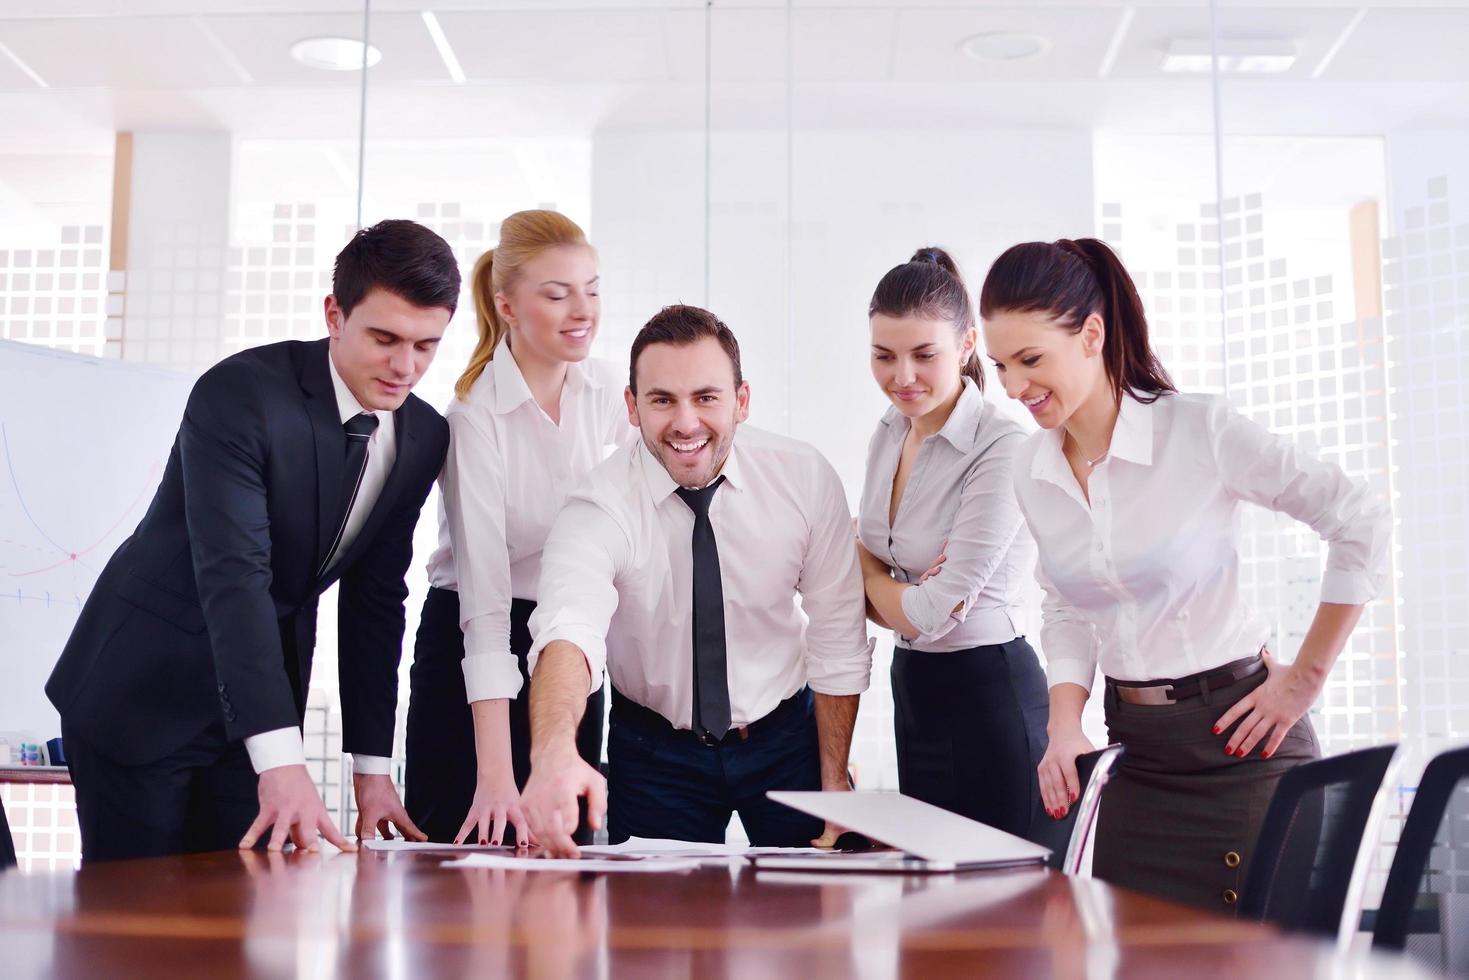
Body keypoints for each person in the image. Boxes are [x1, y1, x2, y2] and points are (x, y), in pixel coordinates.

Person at [980, 238, 1391, 911]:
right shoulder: (1030, 470)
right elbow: (1063, 605)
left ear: (1090, 335)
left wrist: (1304, 680)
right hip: (1137, 759)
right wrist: (1063, 724)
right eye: (999, 366)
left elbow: (1359, 519)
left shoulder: (1198, 431)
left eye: (1030, 360)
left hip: (1242, 748)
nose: (1014, 388)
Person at [46, 219, 461, 862]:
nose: (405, 367)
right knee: (136, 932)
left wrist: (372, 767)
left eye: (426, 346)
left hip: (256, 708)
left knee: (238, 926)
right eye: (385, 338)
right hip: (141, 693)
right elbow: (235, 574)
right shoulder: (240, 394)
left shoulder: (423, 437)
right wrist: (281, 757)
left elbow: (376, 601)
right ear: (334, 314)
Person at [518, 304, 874, 857]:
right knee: (654, 934)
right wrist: (554, 751)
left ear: (742, 401)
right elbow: (568, 630)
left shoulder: (803, 478)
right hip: (655, 749)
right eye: (662, 400)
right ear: (633, 408)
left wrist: (834, 785)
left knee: (811, 928)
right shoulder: (598, 506)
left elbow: (836, 638)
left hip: (785, 737)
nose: (686, 423)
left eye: (706, 397)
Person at [405, 210, 632, 846]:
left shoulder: (609, 390)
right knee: (466, 876)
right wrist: (497, 775)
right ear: (507, 305)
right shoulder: (475, 417)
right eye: (557, 295)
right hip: (473, 649)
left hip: (565, 645)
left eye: (591, 289)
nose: (580, 309)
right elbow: (484, 604)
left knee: (564, 875)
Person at [856, 247, 1047, 839]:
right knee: (929, 913)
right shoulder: (888, 433)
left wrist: (870, 578)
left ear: (966, 345)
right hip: (913, 692)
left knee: (1004, 914)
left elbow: (933, 615)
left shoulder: (1003, 445)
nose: (902, 376)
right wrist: (897, 591)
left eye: (924, 355)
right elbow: (892, 600)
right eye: (884, 356)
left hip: (990, 694)